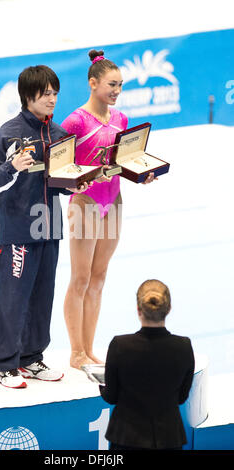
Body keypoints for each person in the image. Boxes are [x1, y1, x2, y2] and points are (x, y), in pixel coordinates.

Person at [0, 65, 90, 389]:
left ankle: (31, 357)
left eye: (55, 93)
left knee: (43, 296)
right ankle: (3, 363)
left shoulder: (58, 135)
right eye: (46, 94)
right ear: (28, 96)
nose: (52, 99)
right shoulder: (8, 134)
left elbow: (57, 183)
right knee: (13, 297)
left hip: (50, 227)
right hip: (18, 230)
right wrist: (12, 166)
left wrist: (75, 186)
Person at [61, 49, 155, 369]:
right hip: (85, 203)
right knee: (80, 278)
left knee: (99, 277)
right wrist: (75, 182)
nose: (116, 91)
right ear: (92, 83)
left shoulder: (121, 120)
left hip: (113, 201)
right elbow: (60, 164)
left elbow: (120, 161)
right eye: (111, 84)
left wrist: (140, 173)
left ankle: (88, 349)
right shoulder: (75, 120)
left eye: (120, 85)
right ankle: (75, 352)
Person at [100, 279, 195, 450]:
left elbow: (111, 396)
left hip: (126, 439)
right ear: (169, 309)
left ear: (138, 310)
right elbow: (182, 398)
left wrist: (102, 388)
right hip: (168, 439)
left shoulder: (120, 345)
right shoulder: (183, 346)